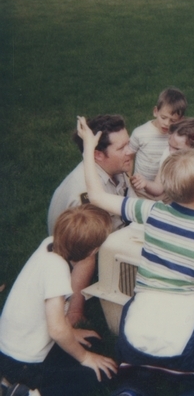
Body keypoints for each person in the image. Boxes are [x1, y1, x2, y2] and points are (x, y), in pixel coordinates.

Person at [76, 116, 194, 394]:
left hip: (134, 333)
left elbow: (96, 196)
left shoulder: (150, 212)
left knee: (134, 372)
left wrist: (88, 147)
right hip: (183, 336)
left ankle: (131, 387)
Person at [0, 205, 117, 396]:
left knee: (91, 341)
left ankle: (7, 381)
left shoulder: (50, 244)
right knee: (97, 374)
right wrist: (85, 357)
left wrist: (71, 332)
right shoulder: (57, 270)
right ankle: (27, 393)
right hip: (24, 361)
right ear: (92, 251)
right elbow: (56, 329)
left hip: (10, 346)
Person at [47, 114, 136, 326]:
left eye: (129, 143)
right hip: (79, 250)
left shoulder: (115, 168)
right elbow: (84, 252)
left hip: (109, 232)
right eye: (122, 147)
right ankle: (75, 310)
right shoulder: (84, 192)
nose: (130, 151)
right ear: (97, 155)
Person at [132, 118, 194, 209]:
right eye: (169, 145)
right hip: (190, 195)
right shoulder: (168, 154)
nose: (171, 151)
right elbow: (159, 188)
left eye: (177, 149)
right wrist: (146, 183)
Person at [129, 87, 187, 198]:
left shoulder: (176, 137)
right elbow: (129, 156)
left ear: (181, 120)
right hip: (139, 189)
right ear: (156, 111)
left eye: (173, 120)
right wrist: (128, 179)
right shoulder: (140, 133)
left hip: (165, 191)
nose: (167, 123)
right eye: (163, 117)